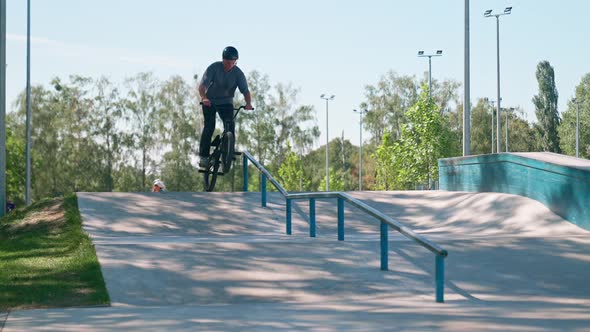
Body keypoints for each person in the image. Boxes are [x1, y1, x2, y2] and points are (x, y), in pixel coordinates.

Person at [198, 46, 253, 168]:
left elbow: (245, 91)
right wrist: (204, 98)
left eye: (233, 63)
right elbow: (202, 86)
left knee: (230, 125)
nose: (230, 65)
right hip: (210, 102)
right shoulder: (214, 68)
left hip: (226, 103)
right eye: (228, 62)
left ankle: (228, 153)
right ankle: (204, 157)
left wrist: (248, 103)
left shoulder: (238, 73)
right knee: (209, 126)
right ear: (223, 60)